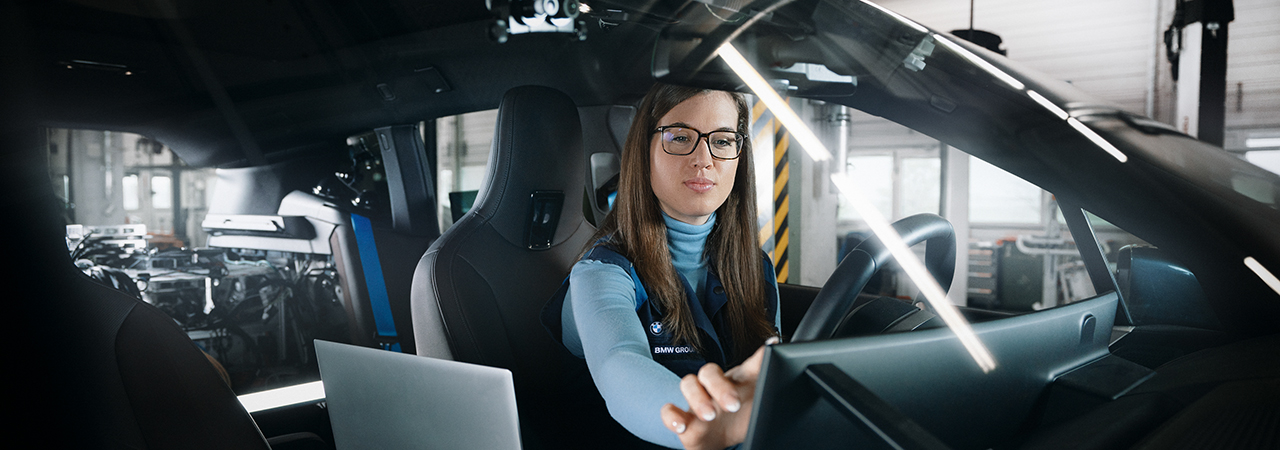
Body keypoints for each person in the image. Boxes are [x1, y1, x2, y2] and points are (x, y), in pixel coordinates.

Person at [543, 83, 781, 450]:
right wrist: (696, 419)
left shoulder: (755, 266)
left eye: (721, 141)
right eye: (681, 137)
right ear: (644, 153)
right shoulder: (600, 272)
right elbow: (619, 365)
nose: (704, 159)